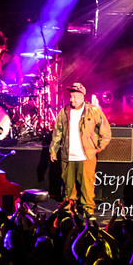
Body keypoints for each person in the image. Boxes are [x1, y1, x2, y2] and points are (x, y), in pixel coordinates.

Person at [49, 82, 111, 216]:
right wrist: (53, 150)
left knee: (87, 185)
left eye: (75, 97)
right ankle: (68, 208)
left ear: (82, 96)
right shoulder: (64, 112)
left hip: (86, 156)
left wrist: (97, 148)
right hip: (68, 156)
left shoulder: (93, 111)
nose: (72, 100)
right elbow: (57, 132)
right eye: (71, 97)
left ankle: (88, 208)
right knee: (68, 186)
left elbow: (106, 133)